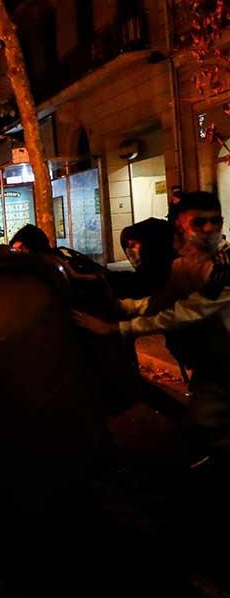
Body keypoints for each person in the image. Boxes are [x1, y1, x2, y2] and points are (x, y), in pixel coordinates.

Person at [75, 192, 230, 462]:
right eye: (198, 223)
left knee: (206, 418)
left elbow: (182, 313)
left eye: (214, 221)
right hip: (212, 359)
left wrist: (116, 329)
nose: (209, 229)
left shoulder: (222, 267)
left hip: (222, 359)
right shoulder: (183, 265)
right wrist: (122, 308)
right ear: (180, 228)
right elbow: (161, 302)